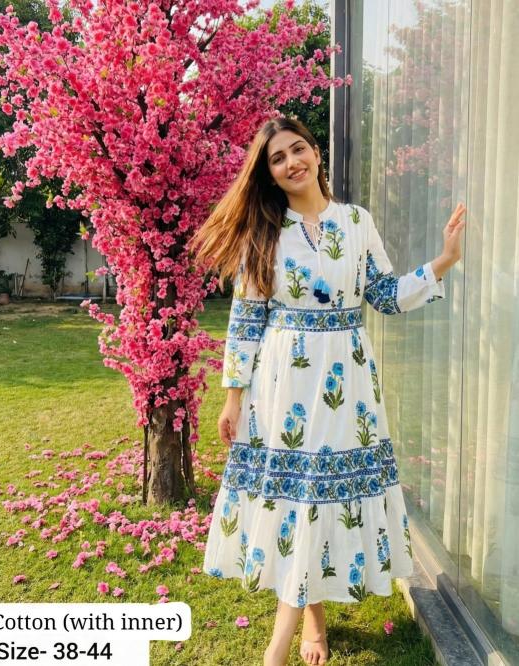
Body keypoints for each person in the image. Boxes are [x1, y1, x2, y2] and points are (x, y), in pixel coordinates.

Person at [190, 116, 466, 666]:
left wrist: (446, 260)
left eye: (298, 149)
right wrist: (233, 396)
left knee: (319, 492)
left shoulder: (357, 222)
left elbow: (383, 295)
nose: (291, 162)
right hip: (283, 380)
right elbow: (246, 318)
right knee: (301, 494)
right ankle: (294, 633)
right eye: (277, 158)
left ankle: (297, 631)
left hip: (345, 377)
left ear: (316, 153)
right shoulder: (265, 232)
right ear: (269, 174)